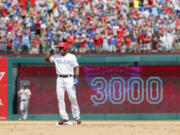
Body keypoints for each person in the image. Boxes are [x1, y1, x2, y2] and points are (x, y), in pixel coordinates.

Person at [44, 42, 81, 125]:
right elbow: (46, 59)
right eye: (59, 48)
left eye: (61, 48)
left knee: (73, 97)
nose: (59, 49)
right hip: (60, 78)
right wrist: (50, 52)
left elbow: (76, 67)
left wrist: (76, 77)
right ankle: (64, 118)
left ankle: (77, 117)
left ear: (65, 48)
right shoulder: (55, 56)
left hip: (69, 78)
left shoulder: (71, 56)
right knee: (60, 98)